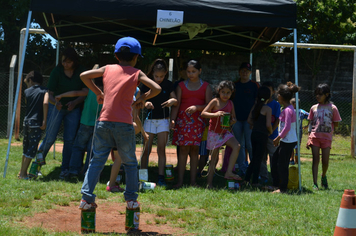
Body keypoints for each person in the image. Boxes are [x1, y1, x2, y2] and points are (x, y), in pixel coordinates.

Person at [78, 37, 161, 211]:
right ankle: (131, 200)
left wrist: (98, 92)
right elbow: (157, 88)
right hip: (124, 124)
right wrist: (143, 98)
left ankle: (86, 199)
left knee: (97, 161)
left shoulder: (107, 68)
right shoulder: (137, 73)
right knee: (130, 162)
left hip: (104, 122)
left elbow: (84, 76)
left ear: (116, 55)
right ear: (136, 57)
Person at [37, 47, 87, 179]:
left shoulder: (81, 71)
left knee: (69, 140)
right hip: (56, 108)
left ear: (74, 61)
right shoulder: (56, 71)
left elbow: (85, 92)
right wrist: (55, 103)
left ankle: (66, 169)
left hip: (74, 109)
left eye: (68, 62)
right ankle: (35, 167)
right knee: (49, 138)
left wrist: (75, 103)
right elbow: (50, 94)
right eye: (63, 61)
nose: (65, 64)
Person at [171, 59, 212, 188]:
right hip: (183, 121)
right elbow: (176, 105)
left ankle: (193, 182)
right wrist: (172, 119)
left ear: (200, 71)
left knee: (195, 151)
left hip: (198, 122)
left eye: (193, 71)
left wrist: (197, 107)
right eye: (188, 72)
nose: (191, 74)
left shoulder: (206, 86)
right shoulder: (181, 86)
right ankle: (180, 181)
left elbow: (209, 105)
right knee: (183, 150)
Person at [54, 77, 103, 180]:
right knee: (92, 150)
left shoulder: (90, 90)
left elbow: (75, 93)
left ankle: (73, 171)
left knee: (78, 147)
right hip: (99, 125)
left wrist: (61, 95)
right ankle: (87, 172)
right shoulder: (107, 93)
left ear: (93, 82)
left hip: (85, 123)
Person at [139, 59, 177, 186]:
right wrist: (145, 103)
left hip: (163, 121)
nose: (159, 79)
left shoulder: (168, 84)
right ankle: (143, 176)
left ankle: (161, 177)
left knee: (161, 149)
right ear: (152, 74)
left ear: (165, 73)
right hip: (149, 120)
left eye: (161, 76)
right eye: (156, 76)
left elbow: (175, 99)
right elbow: (139, 100)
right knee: (146, 149)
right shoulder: (146, 83)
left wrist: (172, 101)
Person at [107, 87, 149, 193]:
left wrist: (143, 132)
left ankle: (113, 184)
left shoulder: (119, 86)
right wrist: (144, 133)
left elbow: (135, 117)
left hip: (113, 125)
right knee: (127, 159)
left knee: (118, 158)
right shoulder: (135, 90)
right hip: (122, 127)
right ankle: (120, 185)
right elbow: (135, 117)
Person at [201, 80, 241, 189]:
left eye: (228, 93)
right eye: (223, 92)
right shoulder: (214, 101)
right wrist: (216, 114)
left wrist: (233, 121)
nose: (225, 95)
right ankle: (209, 184)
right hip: (214, 133)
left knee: (237, 146)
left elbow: (234, 118)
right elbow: (203, 113)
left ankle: (229, 172)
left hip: (225, 132)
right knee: (214, 159)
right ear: (219, 91)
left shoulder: (230, 103)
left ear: (231, 93)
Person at [226, 62, 259, 176]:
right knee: (239, 144)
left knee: (250, 144)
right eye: (243, 70)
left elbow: (258, 102)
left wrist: (253, 117)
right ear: (239, 72)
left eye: (247, 71)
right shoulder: (234, 85)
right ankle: (242, 168)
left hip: (249, 120)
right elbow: (230, 101)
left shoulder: (254, 85)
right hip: (237, 120)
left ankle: (255, 168)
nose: (245, 73)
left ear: (250, 73)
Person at [306, 84, 341, 190]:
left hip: (326, 138)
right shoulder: (314, 108)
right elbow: (310, 123)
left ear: (327, 95)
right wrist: (309, 137)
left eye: (320, 94)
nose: (318, 96)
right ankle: (315, 183)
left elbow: (336, 123)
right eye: (316, 94)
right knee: (315, 160)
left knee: (325, 161)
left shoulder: (333, 108)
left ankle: (323, 176)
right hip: (314, 137)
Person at [270, 82, 300, 193]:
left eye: (278, 94)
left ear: (281, 97)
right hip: (285, 140)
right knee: (275, 161)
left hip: (287, 141)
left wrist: (278, 138)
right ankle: (276, 184)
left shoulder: (288, 110)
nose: (277, 96)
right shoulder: (287, 108)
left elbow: (287, 127)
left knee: (282, 164)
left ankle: (282, 188)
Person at [18, 71, 49, 179]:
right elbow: (45, 103)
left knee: (25, 148)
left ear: (30, 80)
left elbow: (28, 103)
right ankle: (23, 174)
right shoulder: (45, 91)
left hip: (26, 121)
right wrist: (44, 120)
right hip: (36, 123)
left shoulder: (26, 91)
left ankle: (21, 172)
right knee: (32, 149)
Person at [244, 86, 272, 187]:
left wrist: (254, 125)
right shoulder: (268, 109)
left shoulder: (255, 106)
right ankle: (254, 181)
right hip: (263, 135)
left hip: (254, 134)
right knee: (258, 159)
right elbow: (268, 124)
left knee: (254, 158)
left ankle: (248, 179)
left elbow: (249, 120)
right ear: (268, 97)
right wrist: (271, 131)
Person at [260, 81, 280, 184]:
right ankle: (264, 176)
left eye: (269, 90)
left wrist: (271, 131)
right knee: (262, 157)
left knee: (274, 157)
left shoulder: (275, 104)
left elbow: (277, 120)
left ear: (273, 92)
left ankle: (275, 177)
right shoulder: (259, 104)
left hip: (272, 136)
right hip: (262, 135)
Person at [290, 98, 309, 165]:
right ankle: (296, 160)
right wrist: (308, 125)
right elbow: (310, 117)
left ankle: (292, 159)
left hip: (291, 131)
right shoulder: (302, 111)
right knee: (297, 145)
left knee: (291, 145)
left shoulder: (290, 111)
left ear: (294, 104)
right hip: (298, 132)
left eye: (291, 104)